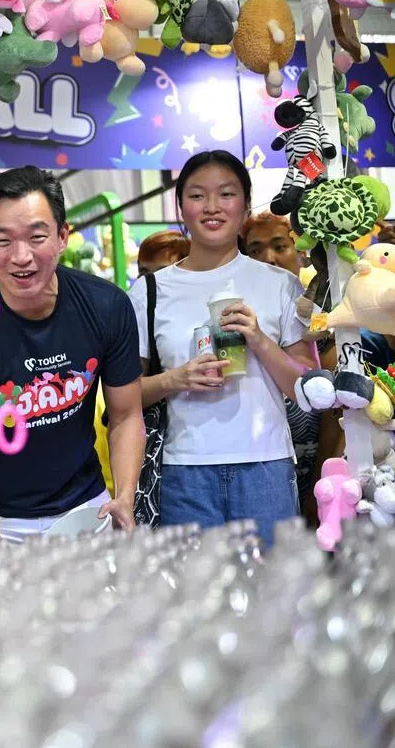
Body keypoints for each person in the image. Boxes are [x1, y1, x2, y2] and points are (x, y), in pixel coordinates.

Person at [0, 166, 143, 548]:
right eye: (3, 241)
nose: (21, 257)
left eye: (37, 236)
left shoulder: (107, 306)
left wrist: (126, 495)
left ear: (63, 236)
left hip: (84, 509)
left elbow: (126, 415)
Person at [128, 150, 316, 545]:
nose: (212, 207)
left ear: (245, 205)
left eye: (226, 194)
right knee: (198, 601)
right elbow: (123, 397)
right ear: (181, 207)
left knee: (273, 598)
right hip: (183, 472)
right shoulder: (149, 292)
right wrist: (175, 379)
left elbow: (308, 387)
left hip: (266, 468)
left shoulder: (280, 284)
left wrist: (260, 340)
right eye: (197, 196)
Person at [240, 212, 331, 526]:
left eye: (280, 246)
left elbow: (334, 420)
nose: (269, 258)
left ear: (300, 251)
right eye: (255, 250)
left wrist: (320, 487)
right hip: (264, 473)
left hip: (323, 474)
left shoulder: (328, 319)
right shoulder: (241, 317)